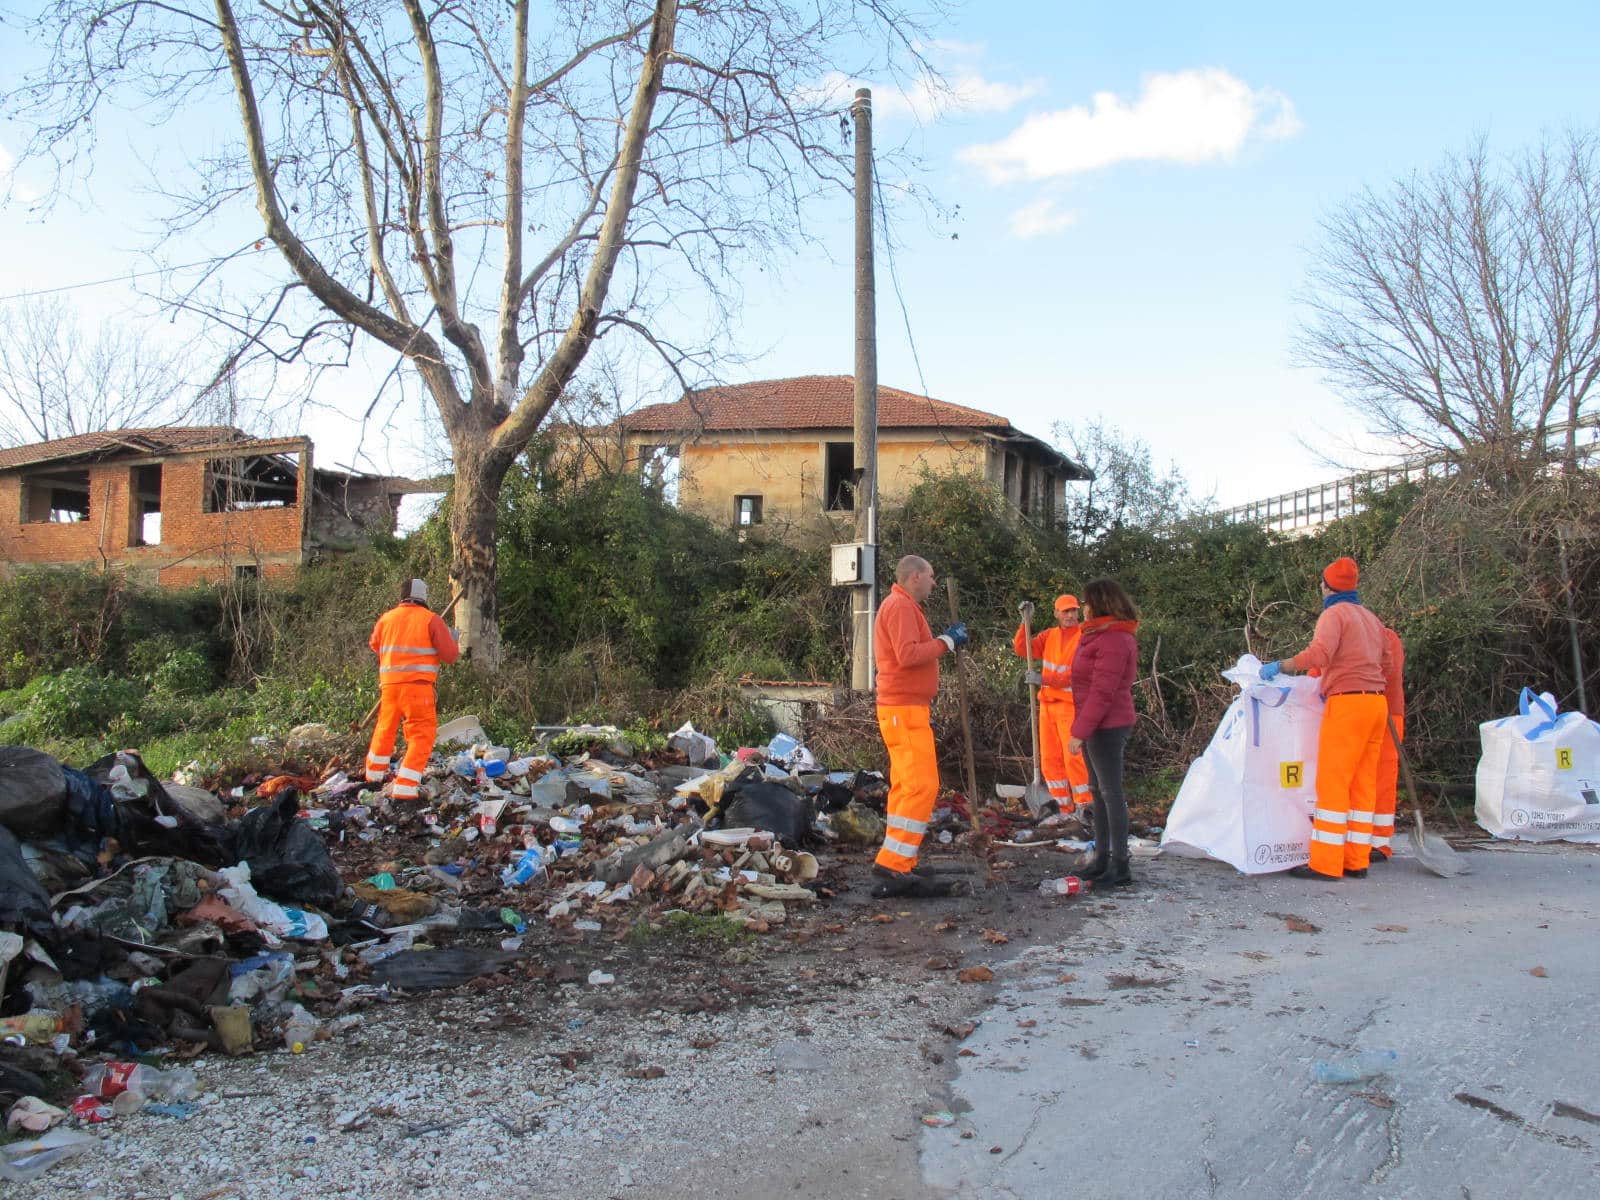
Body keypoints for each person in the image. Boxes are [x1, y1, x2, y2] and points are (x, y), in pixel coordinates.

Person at [1260, 557, 1393, 880]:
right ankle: (1356, 859)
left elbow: (1319, 654)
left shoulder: (1333, 615)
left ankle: (1326, 863)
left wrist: (1283, 665)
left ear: (1326, 586)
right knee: (1363, 783)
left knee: (1333, 782)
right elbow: (1386, 662)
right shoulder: (1372, 619)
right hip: (1376, 704)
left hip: (1347, 704)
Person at [870, 554, 970, 900]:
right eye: (930, 576)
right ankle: (895, 865)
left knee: (906, 787)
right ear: (914, 577)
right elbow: (908, 655)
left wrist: (945, 640)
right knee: (922, 787)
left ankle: (899, 860)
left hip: (905, 708)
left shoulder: (903, 606)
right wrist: (947, 642)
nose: (934, 582)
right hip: (903, 709)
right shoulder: (899, 607)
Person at [1068, 579, 1141, 889]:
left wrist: (1079, 731)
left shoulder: (1112, 639)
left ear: (1098, 603)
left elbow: (1102, 691)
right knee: (1098, 792)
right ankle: (1102, 858)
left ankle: (1120, 865)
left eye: (1086, 602)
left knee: (1111, 794)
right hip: (1098, 722)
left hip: (1107, 726)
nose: (1083, 608)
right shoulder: (1098, 635)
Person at [365, 578, 460, 801]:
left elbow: (374, 644)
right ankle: (405, 788)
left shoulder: (386, 618)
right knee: (421, 735)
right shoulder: (431, 620)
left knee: (384, 729)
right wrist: (453, 639)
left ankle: (373, 777)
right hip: (417, 688)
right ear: (424, 597)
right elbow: (450, 656)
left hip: (389, 686)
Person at [1013, 593, 1092, 823]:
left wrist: (1044, 679)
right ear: (1056, 613)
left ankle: (1085, 808)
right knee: (1050, 759)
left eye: (1073, 611)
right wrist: (1024, 622)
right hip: (1047, 707)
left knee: (1074, 759)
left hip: (1070, 707)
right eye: (1065, 611)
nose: (1070, 615)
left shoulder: (1084, 636)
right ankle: (1063, 809)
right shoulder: (1050, 635)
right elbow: (1022, 649)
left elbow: (1078, 674)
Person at [1371, 623, 1406, 862]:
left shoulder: (1385, 637)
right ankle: (1365, 839)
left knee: (1382, 778)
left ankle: (1379, 841)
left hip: (1386, 715)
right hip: (1377, 711)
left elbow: (1389, 671)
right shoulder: (1383, 636)